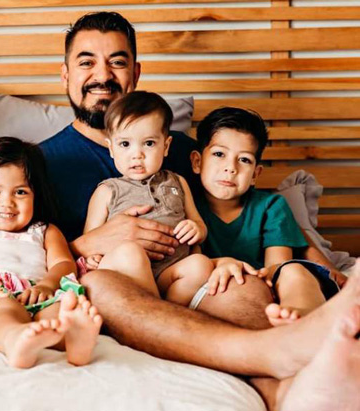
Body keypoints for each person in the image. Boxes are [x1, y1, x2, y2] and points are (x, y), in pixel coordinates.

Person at [38, 11, 355, 411]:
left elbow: (251, 202)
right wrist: (87, 242)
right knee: (101, 287)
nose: (103, 74)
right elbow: (19, 248)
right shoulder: (40, 163)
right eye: (86, 62)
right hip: (119, 292)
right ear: (65, 74)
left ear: (135, 72)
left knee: (240, 283)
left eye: (117, 61)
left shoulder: (182, 150)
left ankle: (287, 387)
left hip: (186, 281)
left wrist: (329, 270)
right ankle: (265, 355)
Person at [0, 137, 102, 368]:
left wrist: (48, 285)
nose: (7, 203)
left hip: (40, 296)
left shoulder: (45, 230)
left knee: (58, 312)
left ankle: (75, 344)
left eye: (20, 192)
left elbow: (64, 263)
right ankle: (15, 340)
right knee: (5, 311)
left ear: (35, 196)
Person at [190, 107, 339, 325]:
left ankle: (300, 318)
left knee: (294, 270)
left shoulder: (271, 206)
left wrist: (263, 277)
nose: (230, 168)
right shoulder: (185, 205)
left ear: (255, 175)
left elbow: (277, 266)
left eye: (244, 160)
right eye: (219, 154)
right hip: (215, 285)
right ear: (197, 162)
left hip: (266, 283)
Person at [82, 91, 214, 307]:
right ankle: (158, 313)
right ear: (111, 148)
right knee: (130, 252)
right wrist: (93, 257)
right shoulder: (107, 191)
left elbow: (199, 224)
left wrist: (196, 229)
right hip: (127, 272)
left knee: (200, 264)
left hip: (168, 274)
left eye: (149, 143)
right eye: (125, 144)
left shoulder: (178, 182)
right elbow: (91, 239)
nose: (137, 154)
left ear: (166, 146)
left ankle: (168, 310)